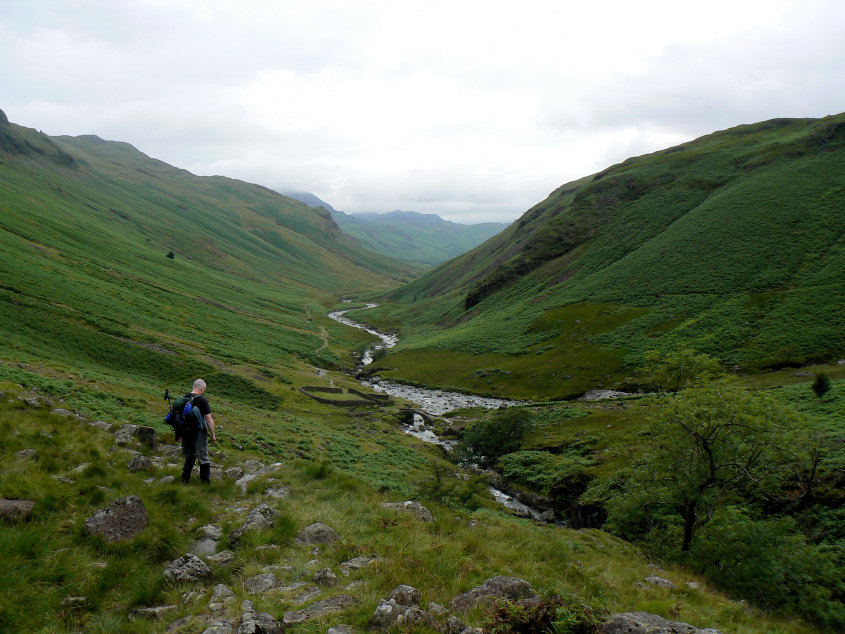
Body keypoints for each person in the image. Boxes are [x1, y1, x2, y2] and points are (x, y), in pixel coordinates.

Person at [180, 378, 217, 484]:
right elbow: (209, 419)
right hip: (198, 434)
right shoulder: (202, 400)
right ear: (202, 388)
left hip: (185, 432)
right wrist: (213, 435)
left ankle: (184, 479)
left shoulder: (184, 398)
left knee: (190, 456)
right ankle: (205, 483)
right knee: (203, 457)